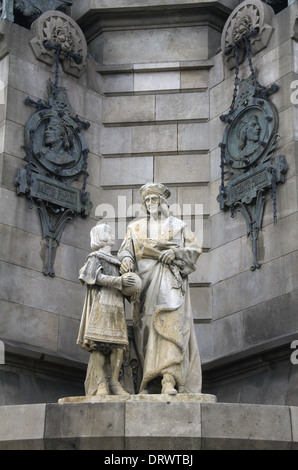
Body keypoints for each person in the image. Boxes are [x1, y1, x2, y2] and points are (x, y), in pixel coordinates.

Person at [118, 182, 203, 396]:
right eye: (147, 201)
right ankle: (147, 381)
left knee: (170, 326)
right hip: (145, 288)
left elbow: (194, 250)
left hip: (170, 285)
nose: (150, 204)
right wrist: (127, 260)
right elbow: (126, 250)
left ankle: (168, 380)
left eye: (154, 199)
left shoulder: (178, 225)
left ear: (163, 203)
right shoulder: (135, 227)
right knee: (147, 331)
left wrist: (176, 254)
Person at [77, 223, 137, 396]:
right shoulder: (95, 257)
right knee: (97, 344)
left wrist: (132, 292)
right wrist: (119, 282)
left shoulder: (117, 262)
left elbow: (125, 286)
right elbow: (92, 276)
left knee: (118, 346)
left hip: (116, 307)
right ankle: (101, 383)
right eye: (109, 233)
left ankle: (114, 382)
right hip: (101, 305)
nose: (113, 236)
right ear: (101, 236)